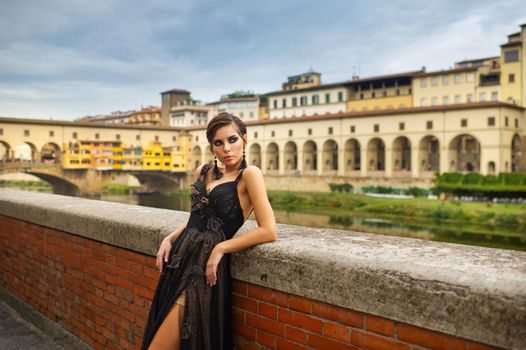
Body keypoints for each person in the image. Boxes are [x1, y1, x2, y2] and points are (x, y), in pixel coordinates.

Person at [141, 112, 277, 350]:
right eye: (218, 143)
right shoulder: (203, 172)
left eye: (232, 140)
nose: (226, 148)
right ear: (212, 147)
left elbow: (268, 230)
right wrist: (169, 238)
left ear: (245, 139)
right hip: (178, 261)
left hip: (201, 269)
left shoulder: (250, 175)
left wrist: (221, 248)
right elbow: (196, 218)